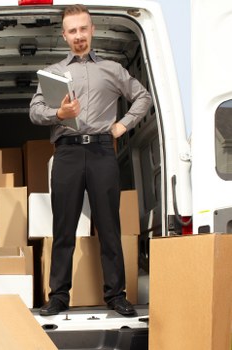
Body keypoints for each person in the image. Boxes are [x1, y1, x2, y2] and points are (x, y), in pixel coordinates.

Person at [30, 4, 151, 317]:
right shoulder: (53, 73)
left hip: (101, 152)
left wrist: (122, 126)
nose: (79, 36)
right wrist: (59, 113)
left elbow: (143, 97)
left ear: (92, 29)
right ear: (64, 35)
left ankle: (116, 296)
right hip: (67, 153)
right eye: (72, 31)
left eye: (83, 29)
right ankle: (58, 297)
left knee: (109, 227)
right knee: (64, 228)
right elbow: (34, 111)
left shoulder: (111, 70)